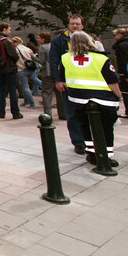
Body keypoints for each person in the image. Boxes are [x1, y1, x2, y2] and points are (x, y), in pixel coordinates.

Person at [58, 31, 122, 167]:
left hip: (78, 100)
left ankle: (92, 154)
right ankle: (107, 155)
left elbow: (63, 79)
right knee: (106, 127)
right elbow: (112, 81)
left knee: (85, 126)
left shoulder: (65, 58)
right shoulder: (101, 59)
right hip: (104, 99)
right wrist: (119, 95)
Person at [51, 14, 87, 154]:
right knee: (72, 113)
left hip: (86, 82)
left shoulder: (88, 39)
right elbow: (54, 61)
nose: (75, 26)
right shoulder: (60, 40)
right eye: (72, 23)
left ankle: (89, 139)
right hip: (68, 83)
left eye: (77, 24)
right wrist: (58, 80)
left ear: (82, 25)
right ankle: (78, 142)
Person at [0, 22, 22, 119]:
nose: (10, 31)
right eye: (9, 29)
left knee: (1, 90)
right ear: (4, 29)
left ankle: (1, 112)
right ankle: (15, 113)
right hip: (9, 69)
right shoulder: (7, 41)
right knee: (12, 91)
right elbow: (15, 56)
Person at [37, 31, 66, 119]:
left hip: (47, 73)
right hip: (57, 72)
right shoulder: (54, 46)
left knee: (46, 93)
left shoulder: (42, 47)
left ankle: (48, 116)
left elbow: (41, 61)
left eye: (39, 38)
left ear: (43, 38)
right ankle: (63, 114)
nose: (38, 40)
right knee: (59, 93)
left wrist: (33, 56)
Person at [12, 36, 38, 108]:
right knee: (25, 86)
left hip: (21, 69)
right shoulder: (27, 48)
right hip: (30, 69)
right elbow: (33, 57)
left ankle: (32, 103)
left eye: (13, 42)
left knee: (25, 87)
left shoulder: (16, 50)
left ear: (16, 42)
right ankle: (26, 102)